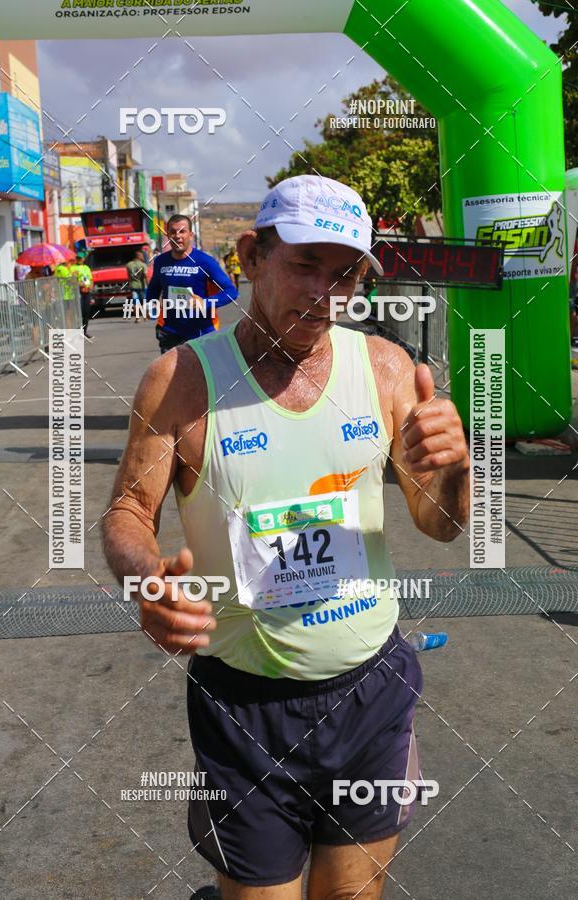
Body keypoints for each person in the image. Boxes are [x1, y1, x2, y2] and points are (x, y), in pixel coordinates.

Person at [103, 175, 470, 899]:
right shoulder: (181, 380)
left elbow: (441, 523)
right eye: (306, 265)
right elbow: (127, 511)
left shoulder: (385, 369)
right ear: (250, 256)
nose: (326, 293)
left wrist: (455, 470)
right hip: (244, 709)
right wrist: (146, 576)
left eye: (347, 275)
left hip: (370, 691)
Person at [146, 214, 238, 353]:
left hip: (202, 332)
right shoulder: (161, 261)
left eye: (182, 231)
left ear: (191, 235)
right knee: (170, 368)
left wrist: (205, 302)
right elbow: (154, 288)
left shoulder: (205, 261)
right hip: (170, 332)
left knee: (205, 368)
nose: (177, 236)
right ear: (168, 235)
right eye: (173, 232)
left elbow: (231, 291)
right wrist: (148, 305)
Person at [71, 250, 93, 338]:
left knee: (86, 313)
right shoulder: (73, 268)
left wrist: (91, 286)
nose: (79, 259)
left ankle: (84, 331)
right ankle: (77, 333)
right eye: (78, 258)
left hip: (87, 292)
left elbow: (90, 279)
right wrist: (80, 285)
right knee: (79, 313)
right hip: (78, 292)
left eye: (81, 258)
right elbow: (72, 280)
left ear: (84, 259)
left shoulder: (87, 267)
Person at [126, 248, 149, 325]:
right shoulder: (143, 265)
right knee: (143, 302)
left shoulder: (129, 265)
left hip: (133, 286)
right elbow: (145, 276)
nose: (143, 257)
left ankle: (137, 318)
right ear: (138, 256)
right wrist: (148, 285)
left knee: (135, 302)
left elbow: (129, 276)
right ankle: (145, 316)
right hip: (142, 286)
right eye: (142, 255)